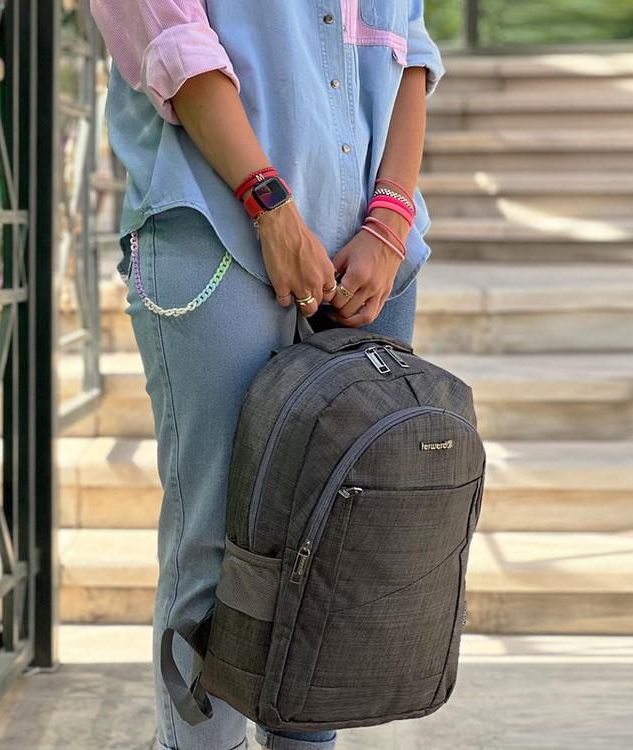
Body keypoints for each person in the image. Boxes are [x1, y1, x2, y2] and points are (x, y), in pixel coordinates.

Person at [89, 2, 444, 749]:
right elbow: (169, 33)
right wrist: (270, 206)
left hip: (369, 252)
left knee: (337, 544)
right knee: (215, 550)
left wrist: (388, 223)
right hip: (221, 230)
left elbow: (409, 47)